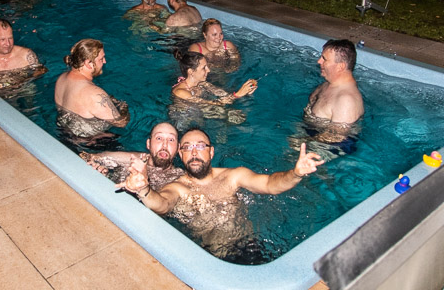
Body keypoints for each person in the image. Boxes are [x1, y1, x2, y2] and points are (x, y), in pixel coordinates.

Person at [117, 128, 324, 260]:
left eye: (201, 146)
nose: (194, 152)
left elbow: (270, 184)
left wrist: (295, 174)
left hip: (253, 247)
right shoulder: (178, 187)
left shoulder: (234, 176)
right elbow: (162, 204)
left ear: (211, 152)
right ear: (180, 154)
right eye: (187, 148)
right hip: (215, 257)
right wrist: (143, 189)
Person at [54, 39, 130, 139]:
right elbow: (121, 123)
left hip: (62, 131)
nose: (105, 61)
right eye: (101, 59)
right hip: (87, 142)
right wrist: (123, 108)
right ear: (88, 63)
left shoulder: (62, 78)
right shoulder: (94, 94)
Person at [79, 122, 184, 190]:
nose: (165, 145)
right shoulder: (132, 160)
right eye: (159, 138)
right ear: (148, 144)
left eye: (171, 140)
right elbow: (87, 156)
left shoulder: (178, 178)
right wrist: (99, 170)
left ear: (178, 148)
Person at [169, 50, 257, 127]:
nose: (209, 70)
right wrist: (238, 94)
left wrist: (245, 92)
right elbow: (212, 104)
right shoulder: (180, 92)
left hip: (200, 114)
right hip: (185, 122)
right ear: (191, 72)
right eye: (204, 68)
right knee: (232, 115)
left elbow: (224, 95)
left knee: (237, 115)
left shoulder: (202, 83)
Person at [304, 39, 364, 143]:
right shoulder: (326, 85)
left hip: (328, 147)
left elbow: (336, 138)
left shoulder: (346, 101)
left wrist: (300, 143)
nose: (319, 61)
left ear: (340, 66)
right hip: (311, 136)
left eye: (324, 59)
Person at [0, 19, 47, 92]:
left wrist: (22, 82)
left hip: (23, 91)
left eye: (10, 38)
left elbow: (41, 71)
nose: (7, 44)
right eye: (2, 39)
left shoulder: (26, 55)